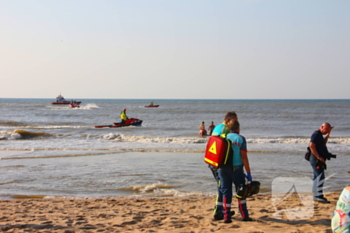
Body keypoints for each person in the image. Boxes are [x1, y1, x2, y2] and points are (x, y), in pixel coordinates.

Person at [218, 120, 252, 223]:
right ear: (238, 128)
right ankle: (244, 215)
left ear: (228, 128)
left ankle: (226, 217)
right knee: (241, 191)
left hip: (222, 168)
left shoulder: (223, 138)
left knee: (226, 192)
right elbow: (244, 157)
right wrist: (249, 172)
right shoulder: (241, 138)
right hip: (237, 168)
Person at [210, 111, 238, 220]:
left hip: (213, 160)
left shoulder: (217, 127)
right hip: (219, 162)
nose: (236, 123)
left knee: (221, 186)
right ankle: (218, 210)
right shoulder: (225, 129)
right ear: (227, 120)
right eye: (234, 121)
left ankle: (220, 209)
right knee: (222, 186)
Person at [309, 122, 334, 203]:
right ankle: (318, 196)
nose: (326, 131)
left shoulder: (320, 135)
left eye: (328, 130)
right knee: (320, 177)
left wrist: (327, 135)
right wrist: (318, 156)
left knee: (317, 177)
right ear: (322, 127)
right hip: (316, 160)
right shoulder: (316, 134)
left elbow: (323, 143)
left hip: (317, 159)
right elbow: (311, 145)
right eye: (326, 129)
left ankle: (316, 195)